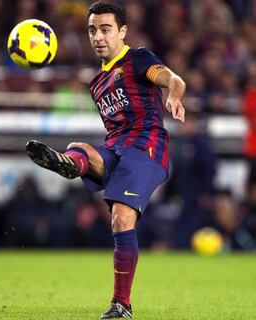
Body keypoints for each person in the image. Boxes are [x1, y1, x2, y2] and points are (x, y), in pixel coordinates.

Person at [26, 1, 185, 319]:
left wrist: (175, 94)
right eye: (92, 30)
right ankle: (69, 162)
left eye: (105, 29)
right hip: (116, 149)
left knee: (121, 218)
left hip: (145, 149)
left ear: (122, 31)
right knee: (80, 148)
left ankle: (121, 305)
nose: (98, 36)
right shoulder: (96, 83)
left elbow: (173, 79)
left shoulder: (138, 59)